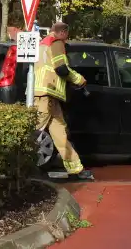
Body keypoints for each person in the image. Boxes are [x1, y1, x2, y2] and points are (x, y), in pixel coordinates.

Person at [34, 22, 93, 181]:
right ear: (63, 32)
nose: (67, 39)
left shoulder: (42, 44)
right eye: (67, 35)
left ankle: (76, 168)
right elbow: (61, 68)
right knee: (35, 132)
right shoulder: (56, 43)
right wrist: (79, 79)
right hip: (46, 94)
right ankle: (20, 168)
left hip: (47, 95)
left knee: (60, 133)